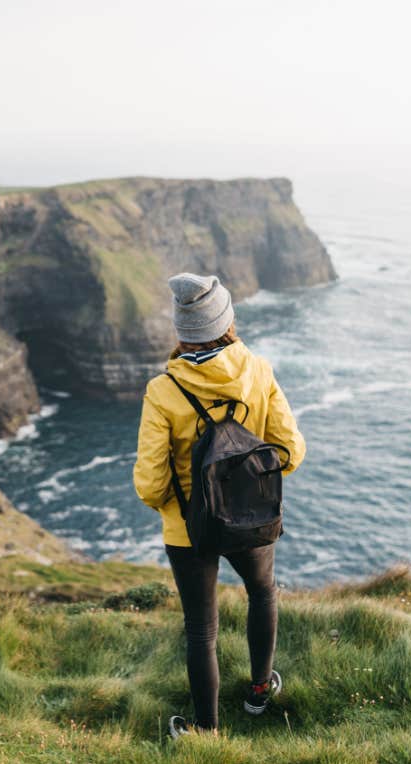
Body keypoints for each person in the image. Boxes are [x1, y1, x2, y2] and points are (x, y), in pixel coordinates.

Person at [133, 273, 307, 740]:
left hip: (188, 528)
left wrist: (181, 508)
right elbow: (290, 451)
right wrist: (247, 487)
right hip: (250, 516)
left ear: (181, 330)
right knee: (264, 591)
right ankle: (258, 693)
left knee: (201, 632)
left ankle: (207, 732)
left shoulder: (163, 390)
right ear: (227, 319)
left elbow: (150, 483)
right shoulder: (258, 369)